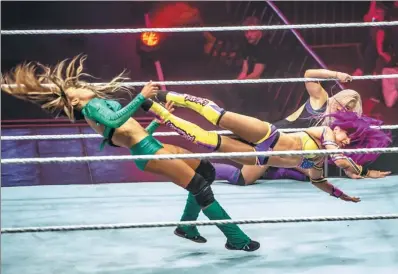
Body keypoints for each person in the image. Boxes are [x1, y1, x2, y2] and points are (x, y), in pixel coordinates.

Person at [1, 55, 260, 252]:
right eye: (73, 89)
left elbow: (128, 131)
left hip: (148, 143)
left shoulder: (93, 105)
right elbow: (115, 121)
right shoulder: (92, 109)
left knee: (205, 171)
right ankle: (236, 238)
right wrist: (141, 97)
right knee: (201, 188)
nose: (79, 85)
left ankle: (186, 226)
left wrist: (158, 119)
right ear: (75, 102)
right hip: (148, 152)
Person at [140, 91, 391, 203]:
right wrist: (361, 171)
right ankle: (168, 96)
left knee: (206, 140)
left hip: (259, 159)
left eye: (351, 143)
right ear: (340, 126)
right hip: (268, 135)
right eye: (348, 136)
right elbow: (336, 156)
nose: (346, 141)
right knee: (219, 116)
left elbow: (317, 179)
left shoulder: (316, 160)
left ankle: (157, 110)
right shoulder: (325, 132)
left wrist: (340, 194)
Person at [213, 68, 388, 185]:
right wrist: (336, 75)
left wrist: (351, 172)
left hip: (291, 153)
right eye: (344, 104)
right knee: (243, 179)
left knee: (308, 174)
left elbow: (334, 154)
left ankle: (278, 170)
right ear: (339, 99)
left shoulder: (337, 128)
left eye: (349, 109)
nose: (344, 110)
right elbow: (309, 73)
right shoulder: (320, 101)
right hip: (272, 141)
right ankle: (203, 168)